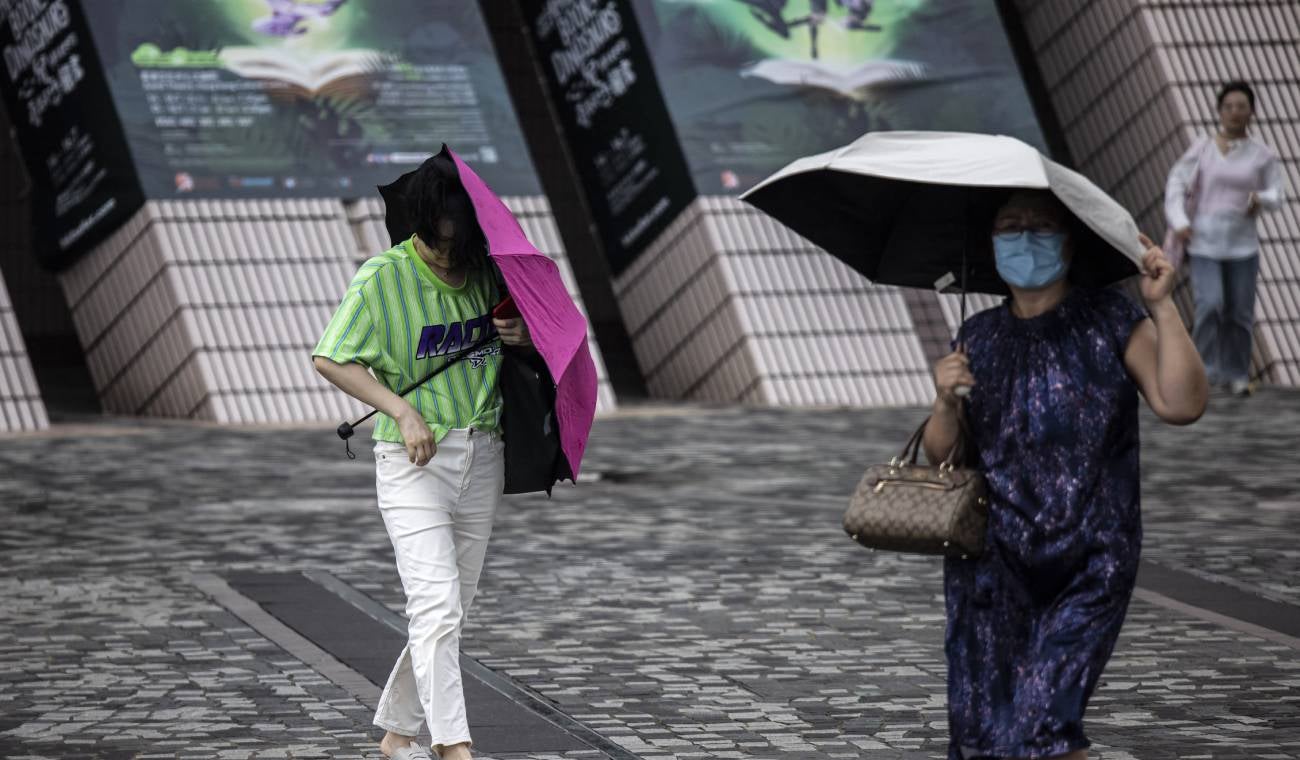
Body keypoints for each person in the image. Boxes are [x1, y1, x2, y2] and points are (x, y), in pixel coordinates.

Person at [924, 190, 1208, 760]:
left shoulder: (1110, 319)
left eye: (1041, 225)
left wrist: (1162, 305)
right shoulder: (976, 336)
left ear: (1070, 241)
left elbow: (1180, 404)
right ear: (991, 243)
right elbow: (944, 458)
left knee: (1043, 722)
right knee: (982, 736)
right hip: (991, 565)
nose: (1026, 236)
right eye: (1011, 225)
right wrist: (945, 400)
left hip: (1091, 559)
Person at [311, 155, 532, 760]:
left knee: (450, 611)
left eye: (458, 240)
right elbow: (330, 357)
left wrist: (518, 337)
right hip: (411, 464)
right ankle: (453, 746)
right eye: (438, 241)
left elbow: (499, 353)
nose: (448, 253)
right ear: (419, 224)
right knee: (434, 605)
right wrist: (401, 411)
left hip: (482, 454)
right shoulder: (381, 277)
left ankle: (397, 735)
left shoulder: (488, 273)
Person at [1165, 80, 1285, 397]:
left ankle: (1236, 373)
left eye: (1241, 107)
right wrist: (1179, 221)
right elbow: (1176, 182)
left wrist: (1260, 199)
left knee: (1240, 312)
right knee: (1210, 305)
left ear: (1252, 112)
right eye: (1229, 106)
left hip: (1243, 246)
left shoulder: (1261, 155)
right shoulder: (1202, 149)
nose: (1234, 112)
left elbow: (1277, 192)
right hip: (1204, 243)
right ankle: (1203, 371)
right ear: (1219, 111)